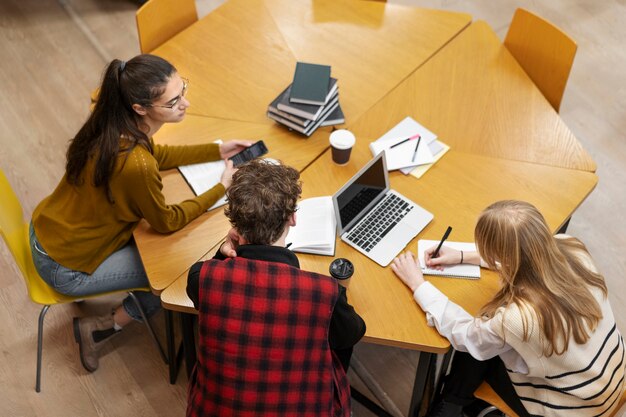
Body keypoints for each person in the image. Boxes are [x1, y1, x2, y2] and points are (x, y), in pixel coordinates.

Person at [29, 54, 252, 373]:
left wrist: (216, 149)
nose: (185, 104)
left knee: (159, 254)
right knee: (170, 273)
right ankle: (100, 327)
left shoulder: (109, 119)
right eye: (174, 101)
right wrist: (221, 189)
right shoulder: (136, 165)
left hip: (48, 230)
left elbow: (153, 154)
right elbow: (166, 221)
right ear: (140, 108)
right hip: (66, 267)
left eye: (183, 90)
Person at [391, 200, 625, 417]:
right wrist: (463, 256)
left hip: (573, 407)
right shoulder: (572, 248)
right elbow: (526, 257)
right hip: (609, 378)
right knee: (492, 338)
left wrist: (418, 284)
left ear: (500, 255)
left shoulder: (518, 318)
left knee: (476, 349)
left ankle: (451, 405)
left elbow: (466, 336)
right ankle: (455, 402)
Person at [186, 160, 366, 417]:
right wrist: (341, 292)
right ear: (292, 218)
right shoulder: (323, 291)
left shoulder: (201, 276)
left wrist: (223, 254)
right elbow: (352, 333)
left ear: (235, 222)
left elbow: (207, 294)